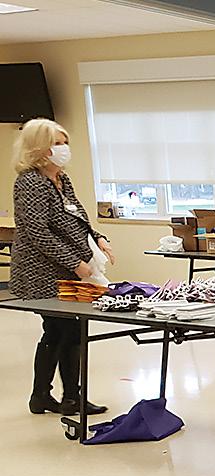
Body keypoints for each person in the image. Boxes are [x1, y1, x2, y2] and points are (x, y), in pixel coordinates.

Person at [11, 118, 112, 417]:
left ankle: (43, 396)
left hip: (65, 270)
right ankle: (68, 398)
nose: (63, 148)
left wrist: (98, 237)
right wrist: (75, 263)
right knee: (66, 328)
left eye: (65, 142)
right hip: (41, 273)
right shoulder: (30, 182)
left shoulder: (61, 179)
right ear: (38, 147)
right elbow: (37, 232)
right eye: (56, 143)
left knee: (59, 330)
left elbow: (76, 216)